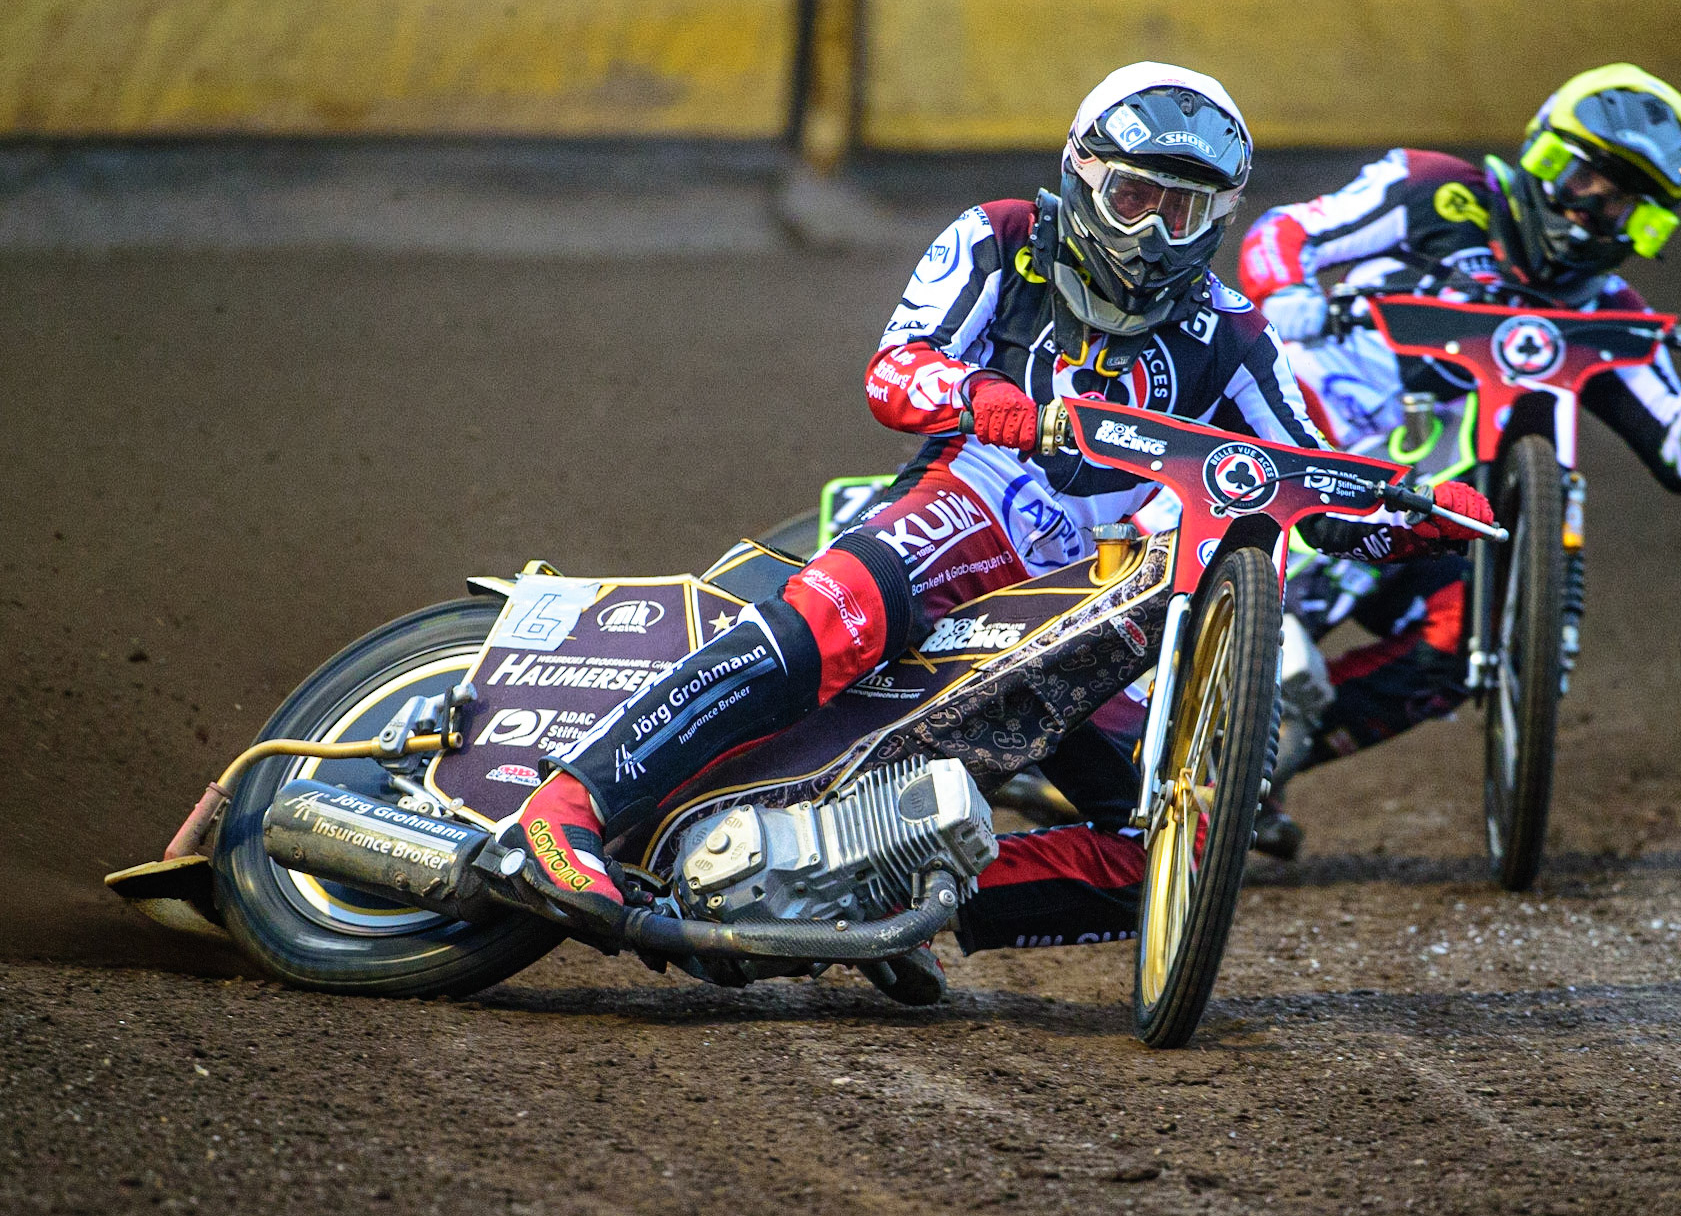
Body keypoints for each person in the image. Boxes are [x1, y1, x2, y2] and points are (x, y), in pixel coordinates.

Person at [504, 63, 1494, 964]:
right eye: (1135, 197)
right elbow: (893, 370)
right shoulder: (1002, 236)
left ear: (1221, 218)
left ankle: (884, 901)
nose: (1154, 233)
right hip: (967, 502)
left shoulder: (1233, 332)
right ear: (1083, 172)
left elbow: (1305, 480)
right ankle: (569, 805)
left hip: (1084, 591)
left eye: (1184, 210)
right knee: (831, 617)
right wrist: (986, 400)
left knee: (1166, 848)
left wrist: (1416, 515)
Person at [1229, 63, 1681, 858]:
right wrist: (1287, 290)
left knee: (1470, 625)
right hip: (1301, 442)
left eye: (1622, 202)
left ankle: (1262, 761)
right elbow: (1285, 233)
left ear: (1649, 224)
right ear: (1541, 153)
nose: (1590, 211)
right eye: (1582, 177)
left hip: (1422, 507)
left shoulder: (1606, 312)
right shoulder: (1438, 191)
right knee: (1269, 622)